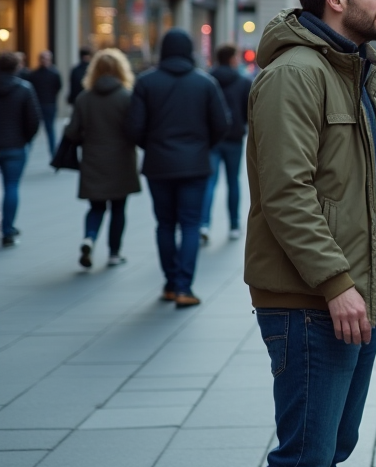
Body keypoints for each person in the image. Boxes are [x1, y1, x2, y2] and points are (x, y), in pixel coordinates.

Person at [245, 0, 376, 467]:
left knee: (330, 452)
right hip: (311, 303)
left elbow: (372, 191)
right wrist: (337, 283)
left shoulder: (358, 74)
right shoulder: (297, 74)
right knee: (303, 461)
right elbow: (285, 193)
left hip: (350, 295)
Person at [128, 30, 230, 308]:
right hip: (195, 164)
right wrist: (202, 146)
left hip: (159, 164)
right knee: (190, 224)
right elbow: (221, 124)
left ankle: (170, 284)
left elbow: (134, 128)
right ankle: (185, 287)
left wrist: (153, 146)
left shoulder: (146, 83)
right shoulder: (204, 83)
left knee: (164, 224)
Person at [65, 49, 141, 268]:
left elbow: (72, 131)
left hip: (93, 159)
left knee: (96, 207)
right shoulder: (126, 97)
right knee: (118, 208)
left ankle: (89, 238)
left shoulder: (84, 98)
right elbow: (134, 129)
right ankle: (114, 253)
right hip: (121, 160)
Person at [200, 43, 253, 244]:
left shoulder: (207, 80)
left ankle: (204, 223)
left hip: (212, 139)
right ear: (231, 59)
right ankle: (233, 225)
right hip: (234, 139)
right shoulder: (242, 82)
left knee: (209, 183)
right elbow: (249, 111)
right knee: (233, 182)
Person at [0, 52, 40, 248]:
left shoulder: (25, 88)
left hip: (13, 142)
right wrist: (26, 140)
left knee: (11, 187)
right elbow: (33, 120)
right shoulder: (24, 89)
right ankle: (7, 230)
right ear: (17, 67)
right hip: (15, 145)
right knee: (11, 187)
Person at [27, 51, 62, 158]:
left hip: (50, 105)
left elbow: (58, 87)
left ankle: (53, 154)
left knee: (50, 130)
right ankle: (27, 152)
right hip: (37, 105)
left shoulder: (54, 73)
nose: (44, 61)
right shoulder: (34, 74)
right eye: (42, 58)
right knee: (32, 129)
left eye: (46, 58)